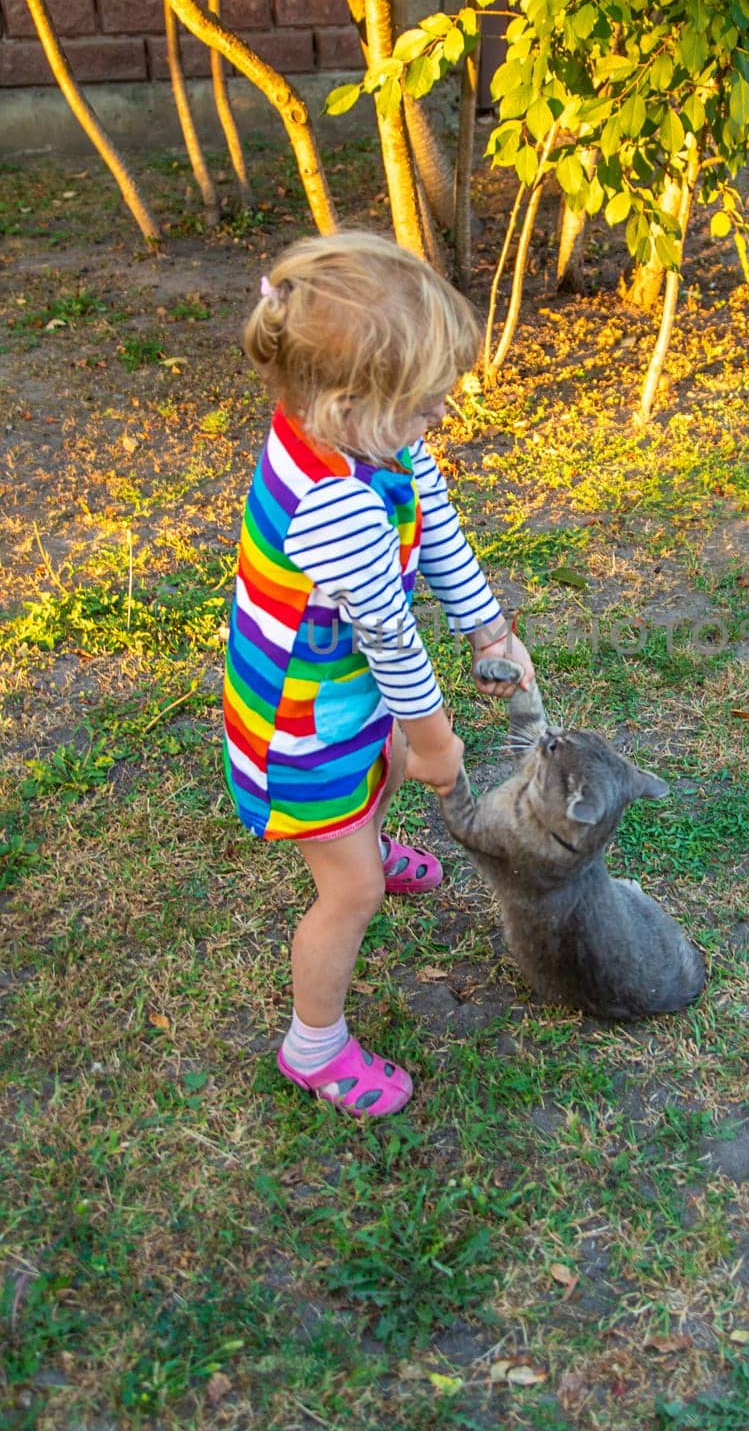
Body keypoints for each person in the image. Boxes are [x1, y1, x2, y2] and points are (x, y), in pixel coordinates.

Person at [222, 230, 535, 1118]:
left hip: (341, 696)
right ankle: (312, 1047)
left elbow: (433, 516)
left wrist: (486, 627)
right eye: (426, 403)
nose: (439, 416)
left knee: (387, 758)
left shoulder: (365, 436)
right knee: (347, 890)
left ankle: (368, 834)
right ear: (352, 403)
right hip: (297, 729)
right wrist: (439, 741)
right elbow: (392, 642)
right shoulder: (333, 504)